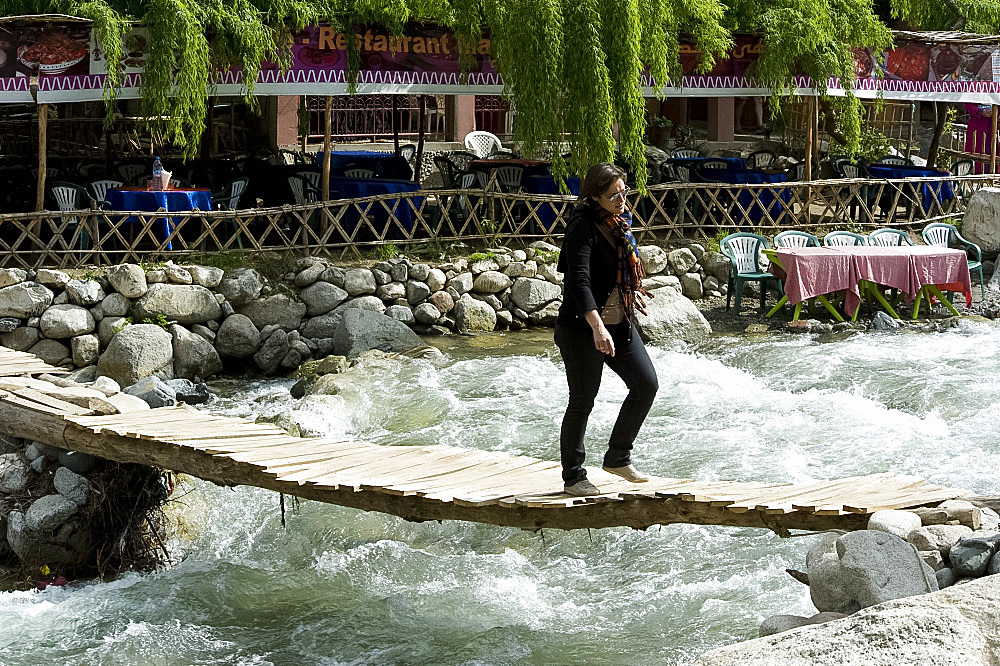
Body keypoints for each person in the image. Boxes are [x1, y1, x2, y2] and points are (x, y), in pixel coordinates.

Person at [554, 163, 660, 497]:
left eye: (624, 192)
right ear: (595, 195)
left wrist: (630, 288)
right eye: (614, 195)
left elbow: (615, 271)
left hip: (620, 322)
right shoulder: (581, 227)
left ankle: (617, 457)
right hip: (582, 328)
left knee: (646, 384)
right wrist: (598, 328)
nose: (622, 200)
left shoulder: (618, 225)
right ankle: (573, 477)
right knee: (583, 400)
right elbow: (579, 282)